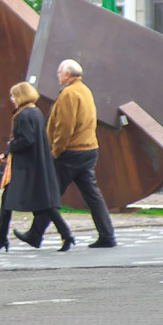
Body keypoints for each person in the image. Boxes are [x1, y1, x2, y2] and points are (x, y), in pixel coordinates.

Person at [46, 58, 116, 248]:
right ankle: (107, 235)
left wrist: (56, 150)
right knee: (92, 195)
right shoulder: (84, 90)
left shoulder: (70, 93)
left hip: (72, 152)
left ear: (67, 75)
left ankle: (37, 233)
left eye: (60, 73)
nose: (58, 76)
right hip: (87, 149)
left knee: (50, 193)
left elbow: (65, 126)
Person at [0, 81, 74, 252]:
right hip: (37, 164)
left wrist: (10, 146)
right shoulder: (35, 111)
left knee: (9, 201)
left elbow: (26, 140)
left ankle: (1, 240)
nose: (12, 99)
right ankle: (66, 235)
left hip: (26, 168)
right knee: (45, 204)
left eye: (14, 96)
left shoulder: (23, 115)